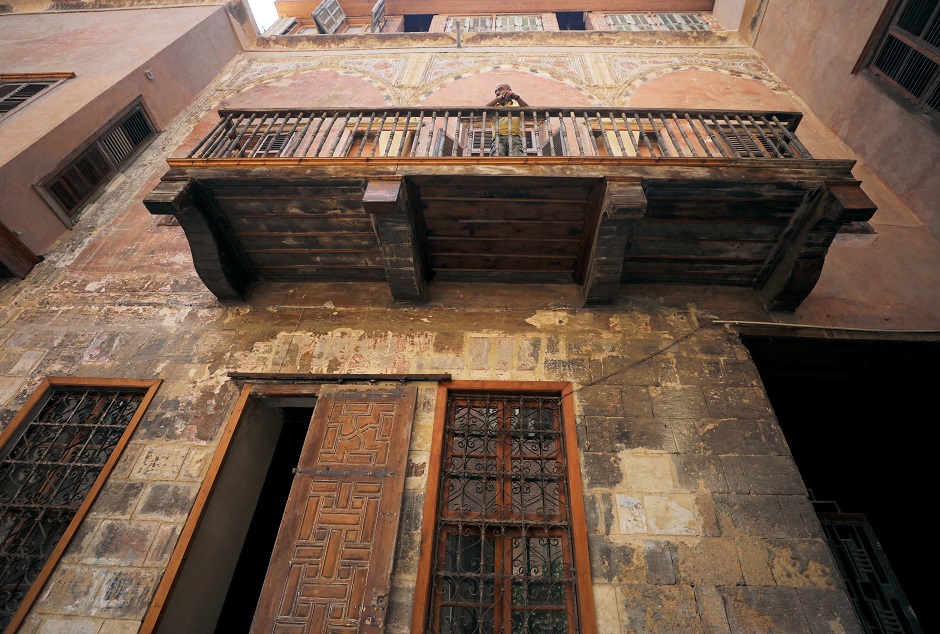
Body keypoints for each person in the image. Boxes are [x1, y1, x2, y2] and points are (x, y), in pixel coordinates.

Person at [485, 83, 529, 156]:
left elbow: (528, 111)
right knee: (497, 161)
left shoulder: (517, 105)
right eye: (495, 92)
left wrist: (517, 97)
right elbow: (483, 111)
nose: (497, 93)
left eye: (500, 89)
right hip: (498, 138)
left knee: (517, 162)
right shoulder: (494, 106)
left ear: (510, 90)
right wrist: (498, 98)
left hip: (515, 138)